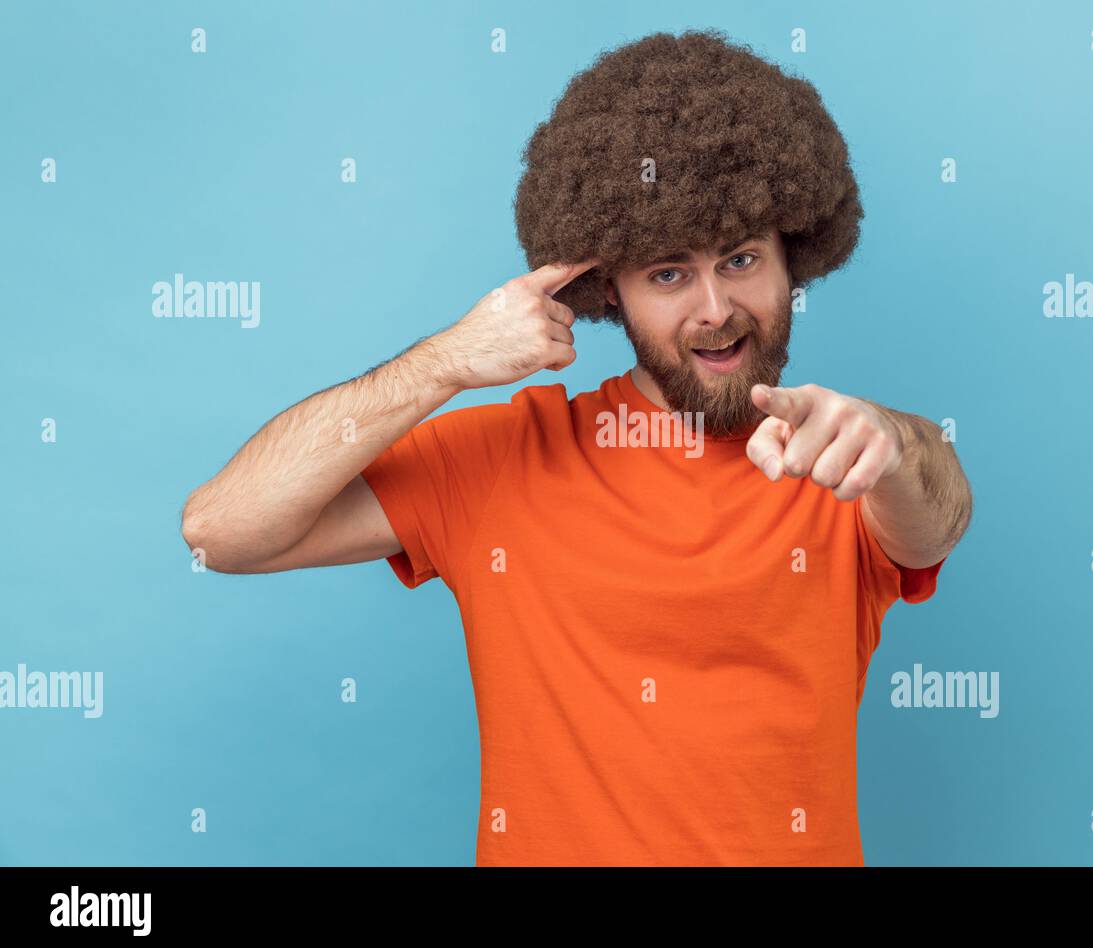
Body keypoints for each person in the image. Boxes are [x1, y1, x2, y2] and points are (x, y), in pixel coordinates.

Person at [180, 29, 973, 866]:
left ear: (794, 264)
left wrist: (894, 442)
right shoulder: (504, 458)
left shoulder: (841, 457)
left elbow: (937, 520)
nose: (714, 308)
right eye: (668, 274)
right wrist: (447, 361)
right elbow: (221, 531)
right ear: (607, 291)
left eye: (741, 260)